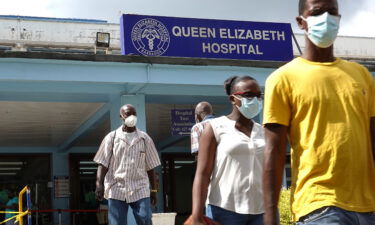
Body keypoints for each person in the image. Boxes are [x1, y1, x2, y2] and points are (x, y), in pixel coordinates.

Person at [262, 0, 375, 225]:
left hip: (368, 207)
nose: (326, 18)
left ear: (339, 19)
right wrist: (269, 216)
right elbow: (273, 153)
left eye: (332, 12)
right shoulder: (282, 79)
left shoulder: (361, 75)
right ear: (301, 22)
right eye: (317, 12)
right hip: (318, 207)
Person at [190, 75, 265, 225]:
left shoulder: (263, 131)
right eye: (248, 95)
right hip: (224, 210)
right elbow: (203, 174)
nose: (255, 100)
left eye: (259, 95)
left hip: (261, 212)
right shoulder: (214, 128)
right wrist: (197, 216)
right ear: (232, 99)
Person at [94, 104, 161, 225]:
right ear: (121, 116)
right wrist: (99, 185)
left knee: (145, 218)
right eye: (128, 114)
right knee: (117, 222)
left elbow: (151, 166)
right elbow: (102, 163)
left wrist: (154, 190)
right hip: (116, 187)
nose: (132, 117)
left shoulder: (145, 139)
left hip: (140, 187)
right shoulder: (111, 138)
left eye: (134, 114)